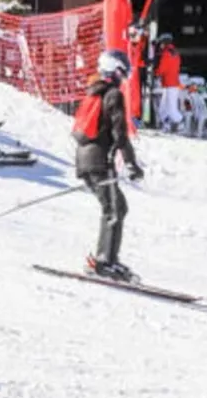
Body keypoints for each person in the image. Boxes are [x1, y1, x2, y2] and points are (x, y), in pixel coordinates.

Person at [73, 49, 145, 280]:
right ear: (114, 71)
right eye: (122, 74)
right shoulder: (113, 94)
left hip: (86, 158)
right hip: (99, 161)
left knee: (115, 207)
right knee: (115, 209)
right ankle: (104, 261)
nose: (123, 80)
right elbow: (120, 132)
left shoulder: (95, 91)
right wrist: (132, 164)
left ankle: (107, 259)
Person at [155, 34, 184, 133]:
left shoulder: (166, 53)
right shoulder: (175, 53)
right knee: (164, 107)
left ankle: (180, 122)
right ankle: (167, 124)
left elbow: (163, 68)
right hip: (173, 83)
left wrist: (156, 73)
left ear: (165, 43)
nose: (160, 46)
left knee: (171, 108)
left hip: (169, 83)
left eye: (161, 44)